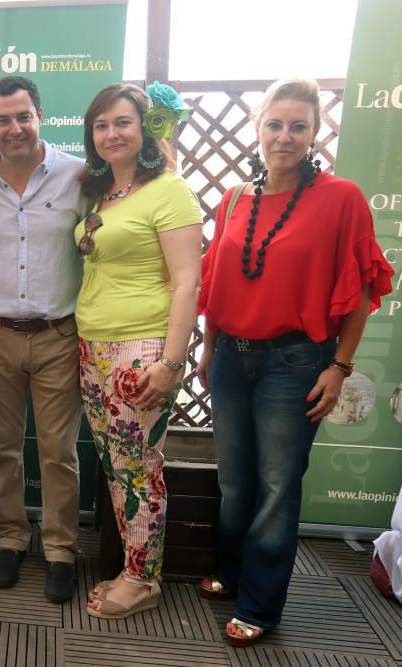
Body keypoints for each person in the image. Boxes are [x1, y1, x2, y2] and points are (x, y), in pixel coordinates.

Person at [196, 78, 393, 646]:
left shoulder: (341, 198)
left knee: (279, 485)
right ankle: (232, 573)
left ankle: (260, 604)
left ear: (315, 131)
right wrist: (209, 348)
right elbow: (216, 285)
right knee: (235, 481)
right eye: (275, 124)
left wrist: (340, 367)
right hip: (232, 356)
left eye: (298, 126)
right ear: (258, 127)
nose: (285, 136)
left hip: (296, 363)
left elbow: (357, 291)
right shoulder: (234, 198)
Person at [73, 83, 202, 619]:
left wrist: (171, 362)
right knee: (116, 466)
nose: (110, 134)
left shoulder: (169, 190)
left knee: (139, 468)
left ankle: (143, 580)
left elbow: (188, 281)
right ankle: (133, 564)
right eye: (100, 125)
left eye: (122, 122)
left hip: (141, 349)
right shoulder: (104, 194)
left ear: (145, 128)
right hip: (94, 346)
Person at [0, 76, 87, 603]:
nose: (14, 128)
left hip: (59, 334)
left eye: (23, 116)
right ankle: (12, 536)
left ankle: (60, 548)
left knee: (59, 451)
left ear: (40, 115)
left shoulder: (80, 176)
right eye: (2, 119)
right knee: (2, 449)